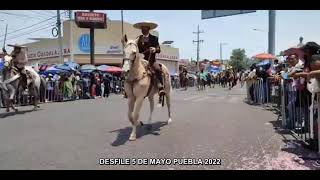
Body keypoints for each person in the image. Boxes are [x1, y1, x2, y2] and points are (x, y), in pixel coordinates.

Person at [133, 21, 164, 96]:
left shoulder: (154, 38)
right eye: (142, 28)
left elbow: (158, 49)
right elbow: (135, 47)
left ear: (148, 29)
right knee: (130, 69)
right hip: (140, 60)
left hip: (151, 61)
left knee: (157, 69)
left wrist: (154, 49)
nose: (143, 30)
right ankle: (128, 89)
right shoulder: (138, 38)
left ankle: (160, 87)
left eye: (145, 28)